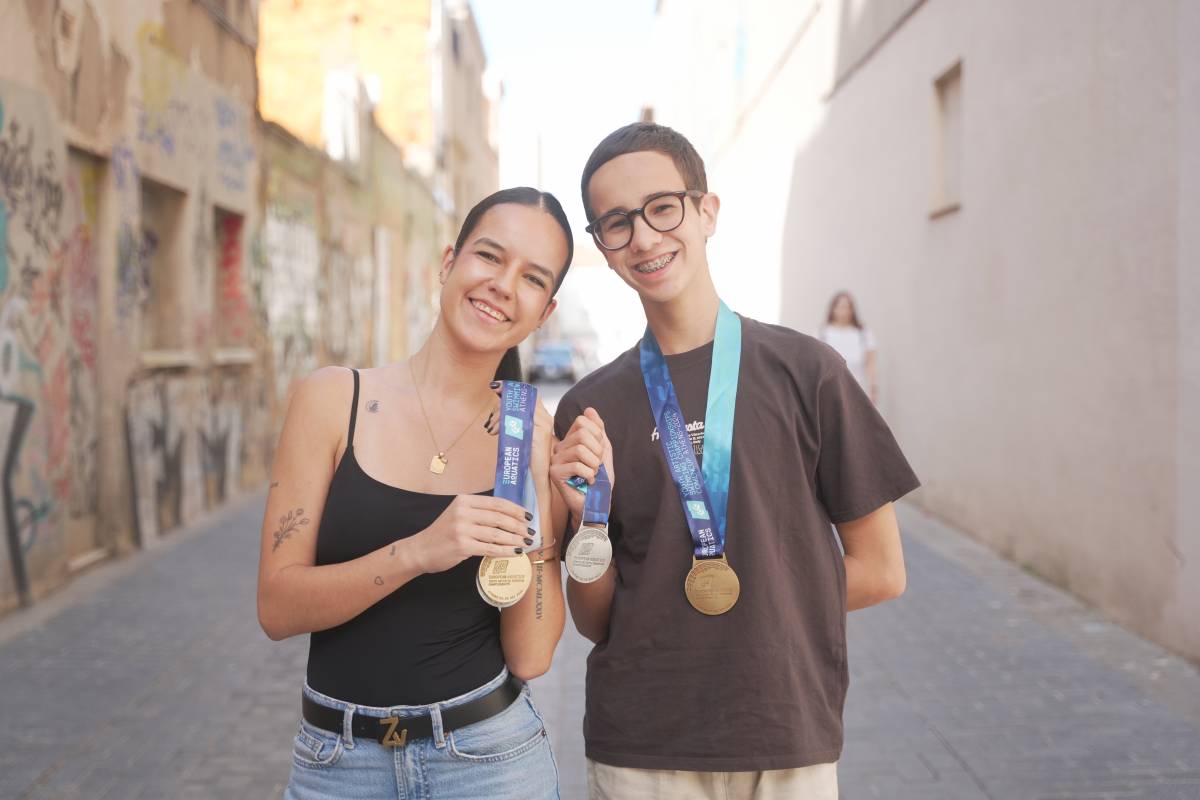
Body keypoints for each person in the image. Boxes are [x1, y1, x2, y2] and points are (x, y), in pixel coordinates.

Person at [549, 123, 920, 799]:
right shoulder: (589, 408)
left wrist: (767, 610)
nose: (645, 237)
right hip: (641, 749)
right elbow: (593, 620)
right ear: (602, 246)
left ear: (706, 211)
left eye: (663, 207)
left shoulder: (808, 372)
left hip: (784, 736)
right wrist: (588, 520)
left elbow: (883, 570)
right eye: (617, 223)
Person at [258, 187, 572, 799]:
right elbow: (277, 607)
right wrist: (418, 552)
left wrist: (540, 486)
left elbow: (531, 656)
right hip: (337, 765)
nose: (503, 285)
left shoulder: (529, 433)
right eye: (489, 256)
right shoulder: (332, 401)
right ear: (448, 262)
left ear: (544, 312)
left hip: (491, 762)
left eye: (531, 278)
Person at [819, 291, 879, 404]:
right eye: (840, 306)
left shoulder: (863, 333)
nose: (844, 311)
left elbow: (871, 364)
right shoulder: (822, 333)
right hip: (830, 393)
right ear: (833, 308)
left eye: (847, 307)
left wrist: (873, 388)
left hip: (857, 390)